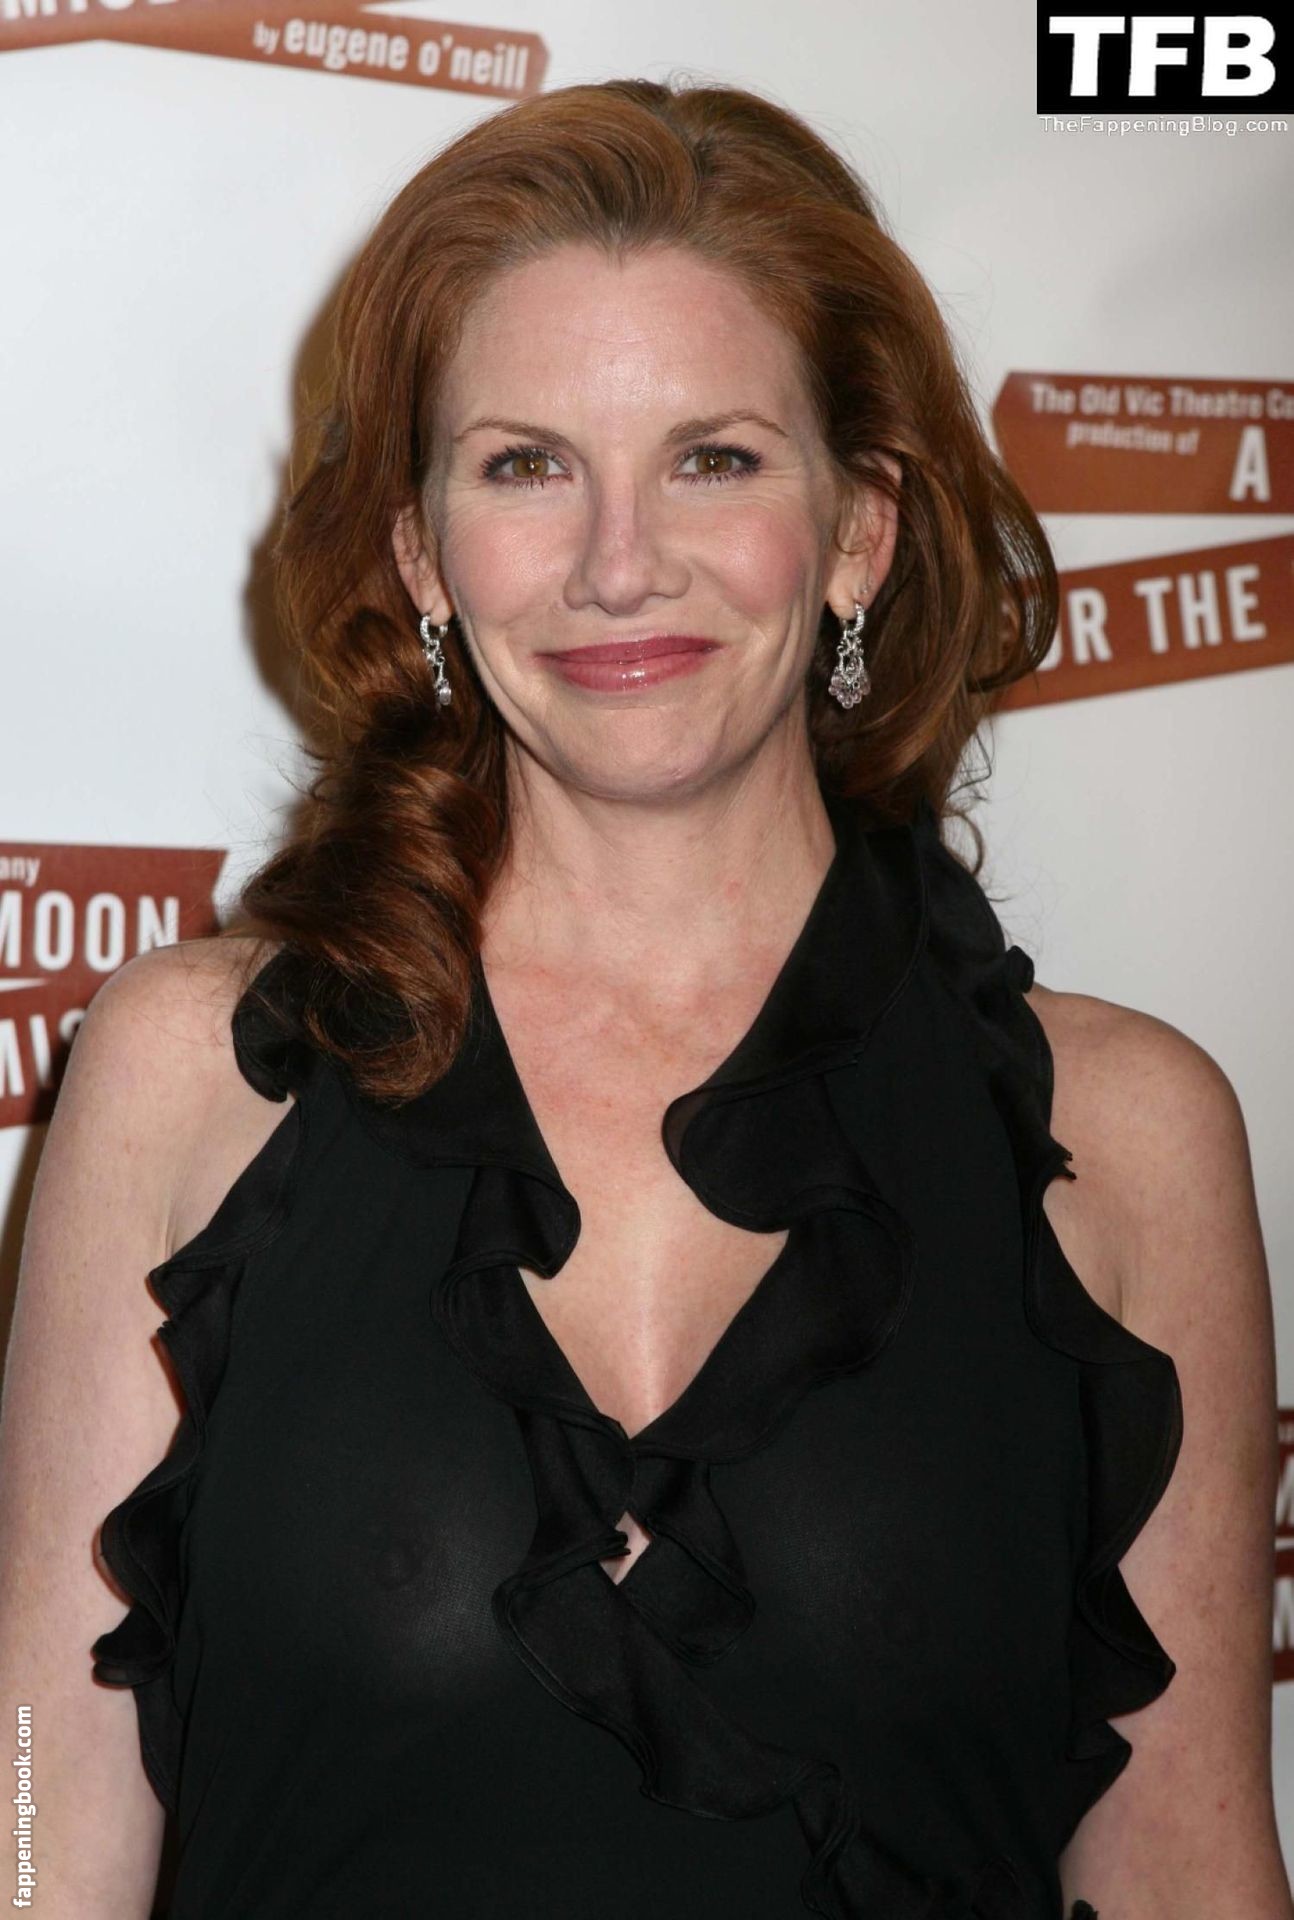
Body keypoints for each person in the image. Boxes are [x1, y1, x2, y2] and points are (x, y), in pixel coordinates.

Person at [0, 74, 1286, 1920]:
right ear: (420, 553)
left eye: (714, 458)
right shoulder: (187, 1083)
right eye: (526, 465)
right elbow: (35, 1830)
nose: (619, 564)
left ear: (857, 529)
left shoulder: (1126, 1139)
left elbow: (1187, 1872)